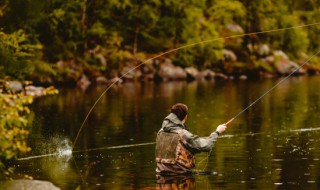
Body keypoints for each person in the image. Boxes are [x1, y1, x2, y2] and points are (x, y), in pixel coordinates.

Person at [155, 103, 227, 176]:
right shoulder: (183, 134)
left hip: (160, 175)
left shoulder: (160, 131)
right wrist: (217, 132)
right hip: (180, 177)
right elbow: (206, 146)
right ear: (185, 117)